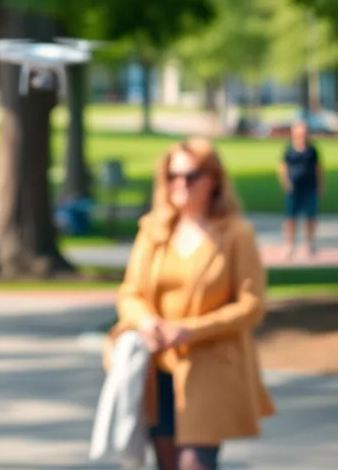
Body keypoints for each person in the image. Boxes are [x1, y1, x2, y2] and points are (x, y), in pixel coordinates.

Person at [116, 137, 275, 470]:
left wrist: (191, 330)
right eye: (172, 176)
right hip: (157, 368)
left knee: (194, 462)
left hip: (210, 368)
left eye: (190, 177)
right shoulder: (154, 230)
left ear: (213, 180)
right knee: (166, 461)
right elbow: (130, 292)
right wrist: (146, 321)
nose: (180, 185)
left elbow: (251, 305)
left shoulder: (235, 234)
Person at [277, 119, 323, 258]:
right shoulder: (289, 150)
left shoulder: (312, 150)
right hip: (294, 188)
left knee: (310, 217)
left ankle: (309, 243)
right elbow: (282, 167)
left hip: (310, 186)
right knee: (291, 218)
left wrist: (320, 185)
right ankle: (289, 244)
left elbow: (318, 169)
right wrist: (286, 183)